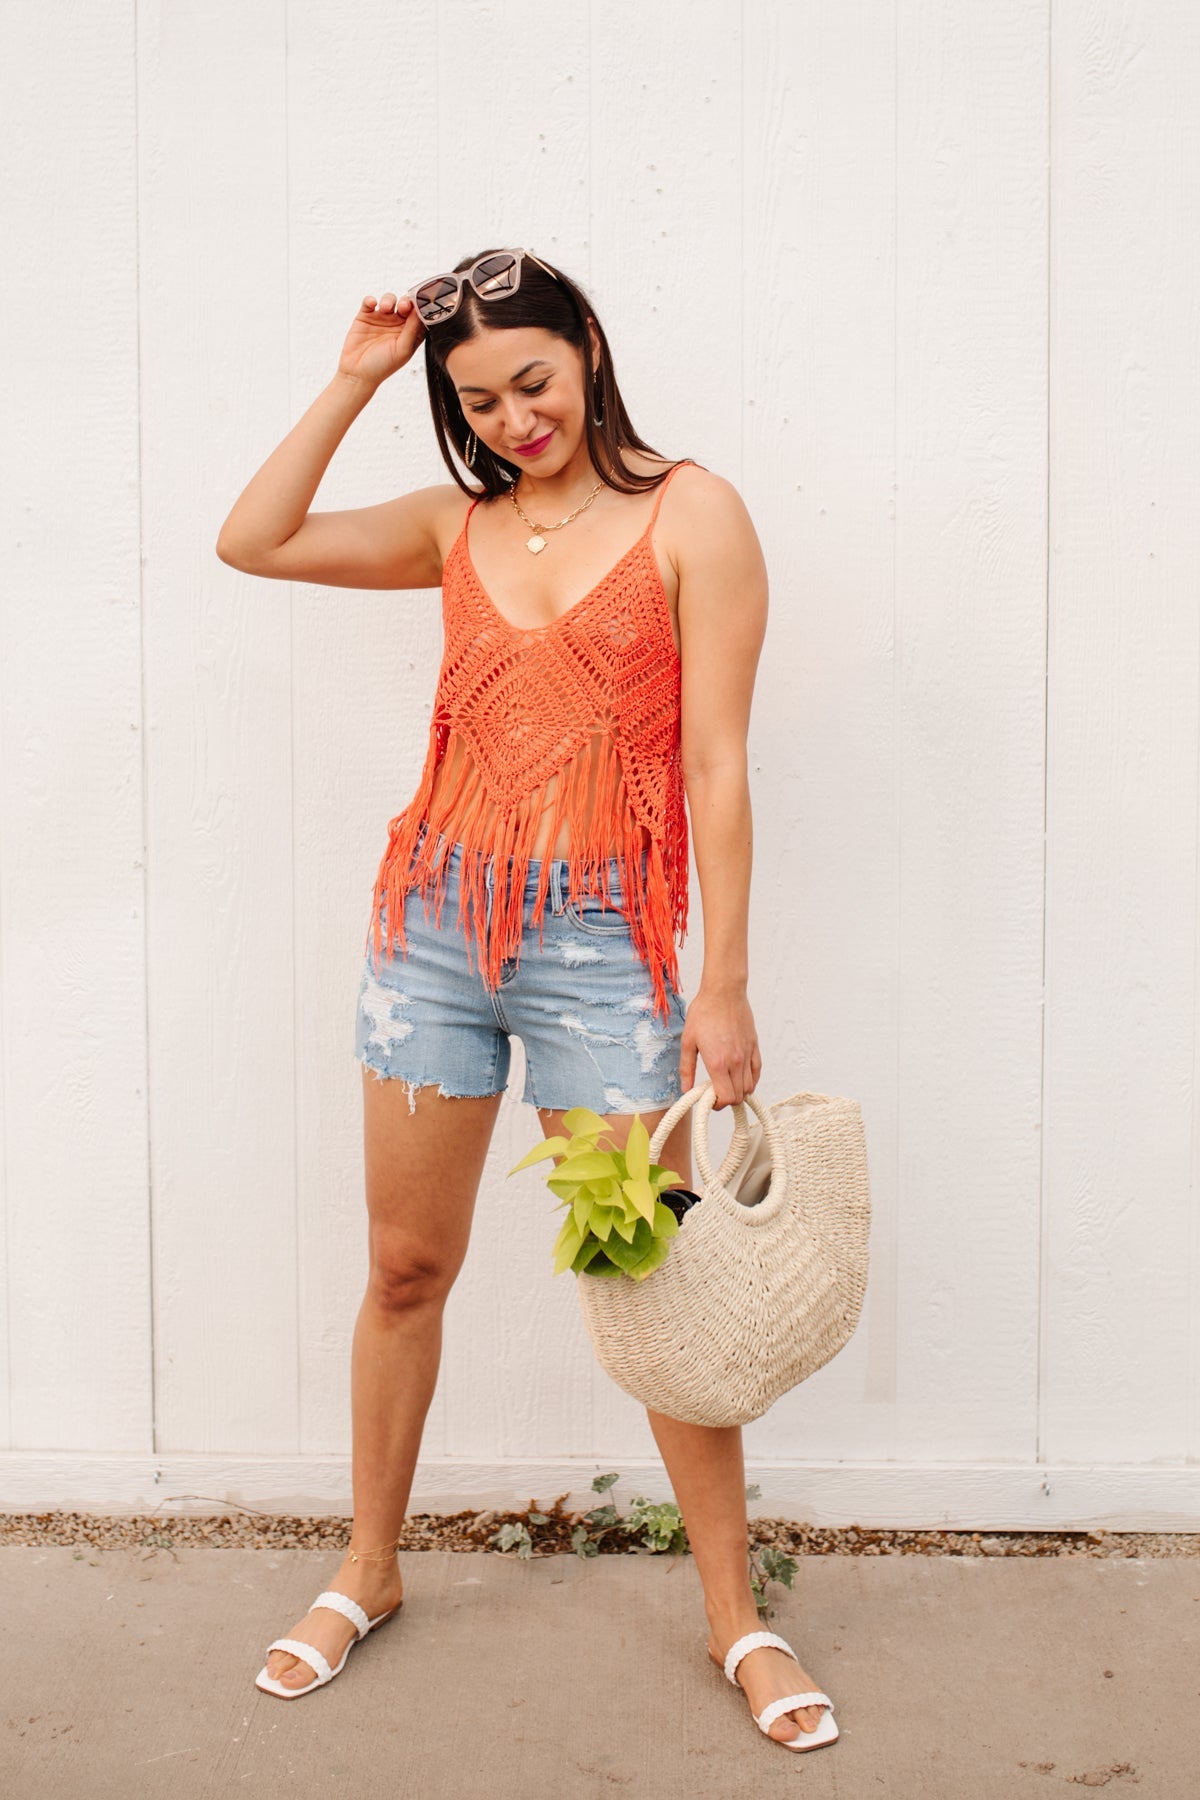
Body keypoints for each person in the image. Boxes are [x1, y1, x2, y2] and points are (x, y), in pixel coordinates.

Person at [216, 247, 832, 1749]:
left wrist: (726, 982)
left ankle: (736, 1615)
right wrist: (357, 378)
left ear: (589, 351)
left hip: (602, 952)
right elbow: (254, 538)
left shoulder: (694, 514)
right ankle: (368, 1570)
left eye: (533, 382)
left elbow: (716, 764)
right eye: (479, 401)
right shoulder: (456, 524)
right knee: (405, 1268)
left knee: (648, 1271)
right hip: (430, 935)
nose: (513, 421)